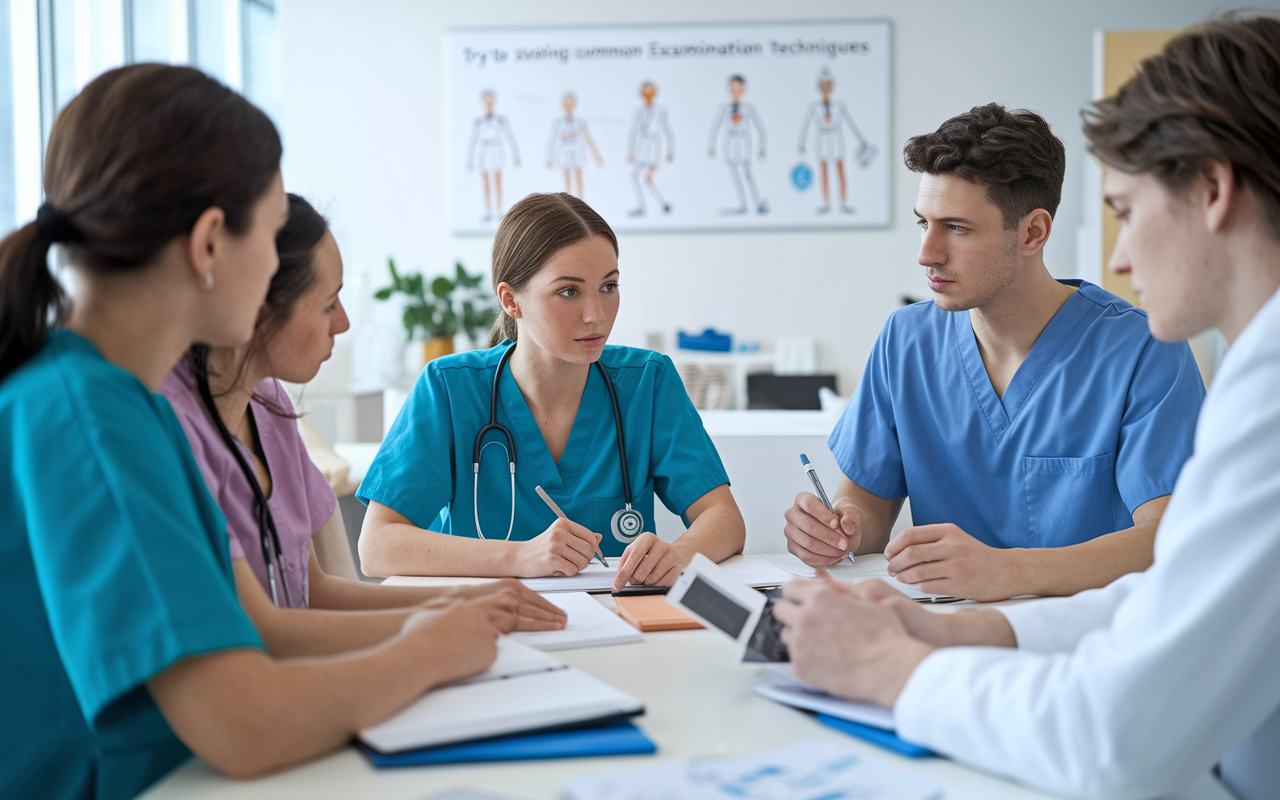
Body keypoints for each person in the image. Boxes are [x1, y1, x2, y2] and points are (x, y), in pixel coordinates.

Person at [775, 15, 1280, 800]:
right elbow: (1173, 594)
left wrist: (895, 664)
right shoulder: (910, 341)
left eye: (1128, 210)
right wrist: (952, 625)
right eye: (923, 225)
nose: (1116, 255)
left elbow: (1116, 734)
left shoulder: (1178, 359)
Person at [0, 64, 515, 799]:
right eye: (274, 234)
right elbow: (244, 722)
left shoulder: (115, 403)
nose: (279, 265)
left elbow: (243, 631)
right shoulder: (91, 421)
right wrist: (428, 649)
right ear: (210, 244)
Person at [783, 103, 1205, 601]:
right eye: (924, 224)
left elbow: (1170, 539)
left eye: (956, 228)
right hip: (940, 635)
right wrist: (841, 528)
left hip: (1089, 639)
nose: (927, 253)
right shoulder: (906, 340)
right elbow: (868, 504)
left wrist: (1011, 572)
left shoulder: (1143, 350)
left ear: (1033, 232)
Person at [160, 192, 566, 657]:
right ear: (258, 305)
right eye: (329, 302)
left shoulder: (269, 407)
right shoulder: (171, 432)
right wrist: (441, 628)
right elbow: (263, 630)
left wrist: (474, 598)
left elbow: (312, 591)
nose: (345, 323)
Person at [357, 192, 745, 591]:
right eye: (569, 291)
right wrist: (520, 557)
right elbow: (377, 546)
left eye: (608, 286)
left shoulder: (647, 382)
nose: (596, 314)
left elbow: (724, 519)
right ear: (511, 300)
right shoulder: (450, 388)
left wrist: (678, 554)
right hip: (486, 624)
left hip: (622, 623)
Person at [796, 67, 876, 214]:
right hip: (822, 141)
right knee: (824, 172)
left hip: (836, 140)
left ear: (831, 86)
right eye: (823, 85)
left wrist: (862, 140)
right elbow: (806, 125)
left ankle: (843, 203)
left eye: (828, 85)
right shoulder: (814, 107)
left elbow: (851, 124)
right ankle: (826, 203)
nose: (825, 88)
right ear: (819, 87)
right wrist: (801, 143)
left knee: (840, 172)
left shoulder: (839, 106)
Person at [707, 74, 768, 215]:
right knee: (736, 177)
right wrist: (711, 146)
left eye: (738, 88)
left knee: (747, 174)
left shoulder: (748, 108)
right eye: (733, 88)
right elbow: (715, 127)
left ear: (743, 89)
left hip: (744, 145)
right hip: (730, 146)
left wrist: (762, 148)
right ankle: (743, 205)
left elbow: (760, 128)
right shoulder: (724, 108)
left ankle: (757, 203)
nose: (735, 91)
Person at [466, 89, 521, 223]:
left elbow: (510, 137)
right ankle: (488, 212)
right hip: (484, 151)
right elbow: (473, 141)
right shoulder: (479, 122)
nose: (489, 103)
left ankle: (499, 210)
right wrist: (470, 160)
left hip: (496, 150)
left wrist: (516, 156)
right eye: (487, 101)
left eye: (491, 100)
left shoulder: (500, 120)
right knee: (486, 183)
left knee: (497, 181)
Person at [627, 81, 675, 217]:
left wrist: (670, 151)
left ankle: (662, 204)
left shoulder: (661, 110)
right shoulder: (639, 111)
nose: (648, 96)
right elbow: (634, 131)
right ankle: (644, 207)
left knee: (647, 179)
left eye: (650, 93)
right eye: (645, 93)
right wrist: (631, 152)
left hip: (654, 148)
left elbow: (668, 130)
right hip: (642, 148)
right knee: (635, 176)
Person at [546, 92, 604, 199]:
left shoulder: (579, 122)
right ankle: (568, 203)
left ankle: (581, 201)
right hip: (565, 155)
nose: (569, 106)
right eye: (567, 103)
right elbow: (552, 140)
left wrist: (597, 157)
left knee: (578, 178)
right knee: (567, 179)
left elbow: (588, 139)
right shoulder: (559, 122)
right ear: (563, 104)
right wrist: (549, 158)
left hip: (577, 155)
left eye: (571, 103)